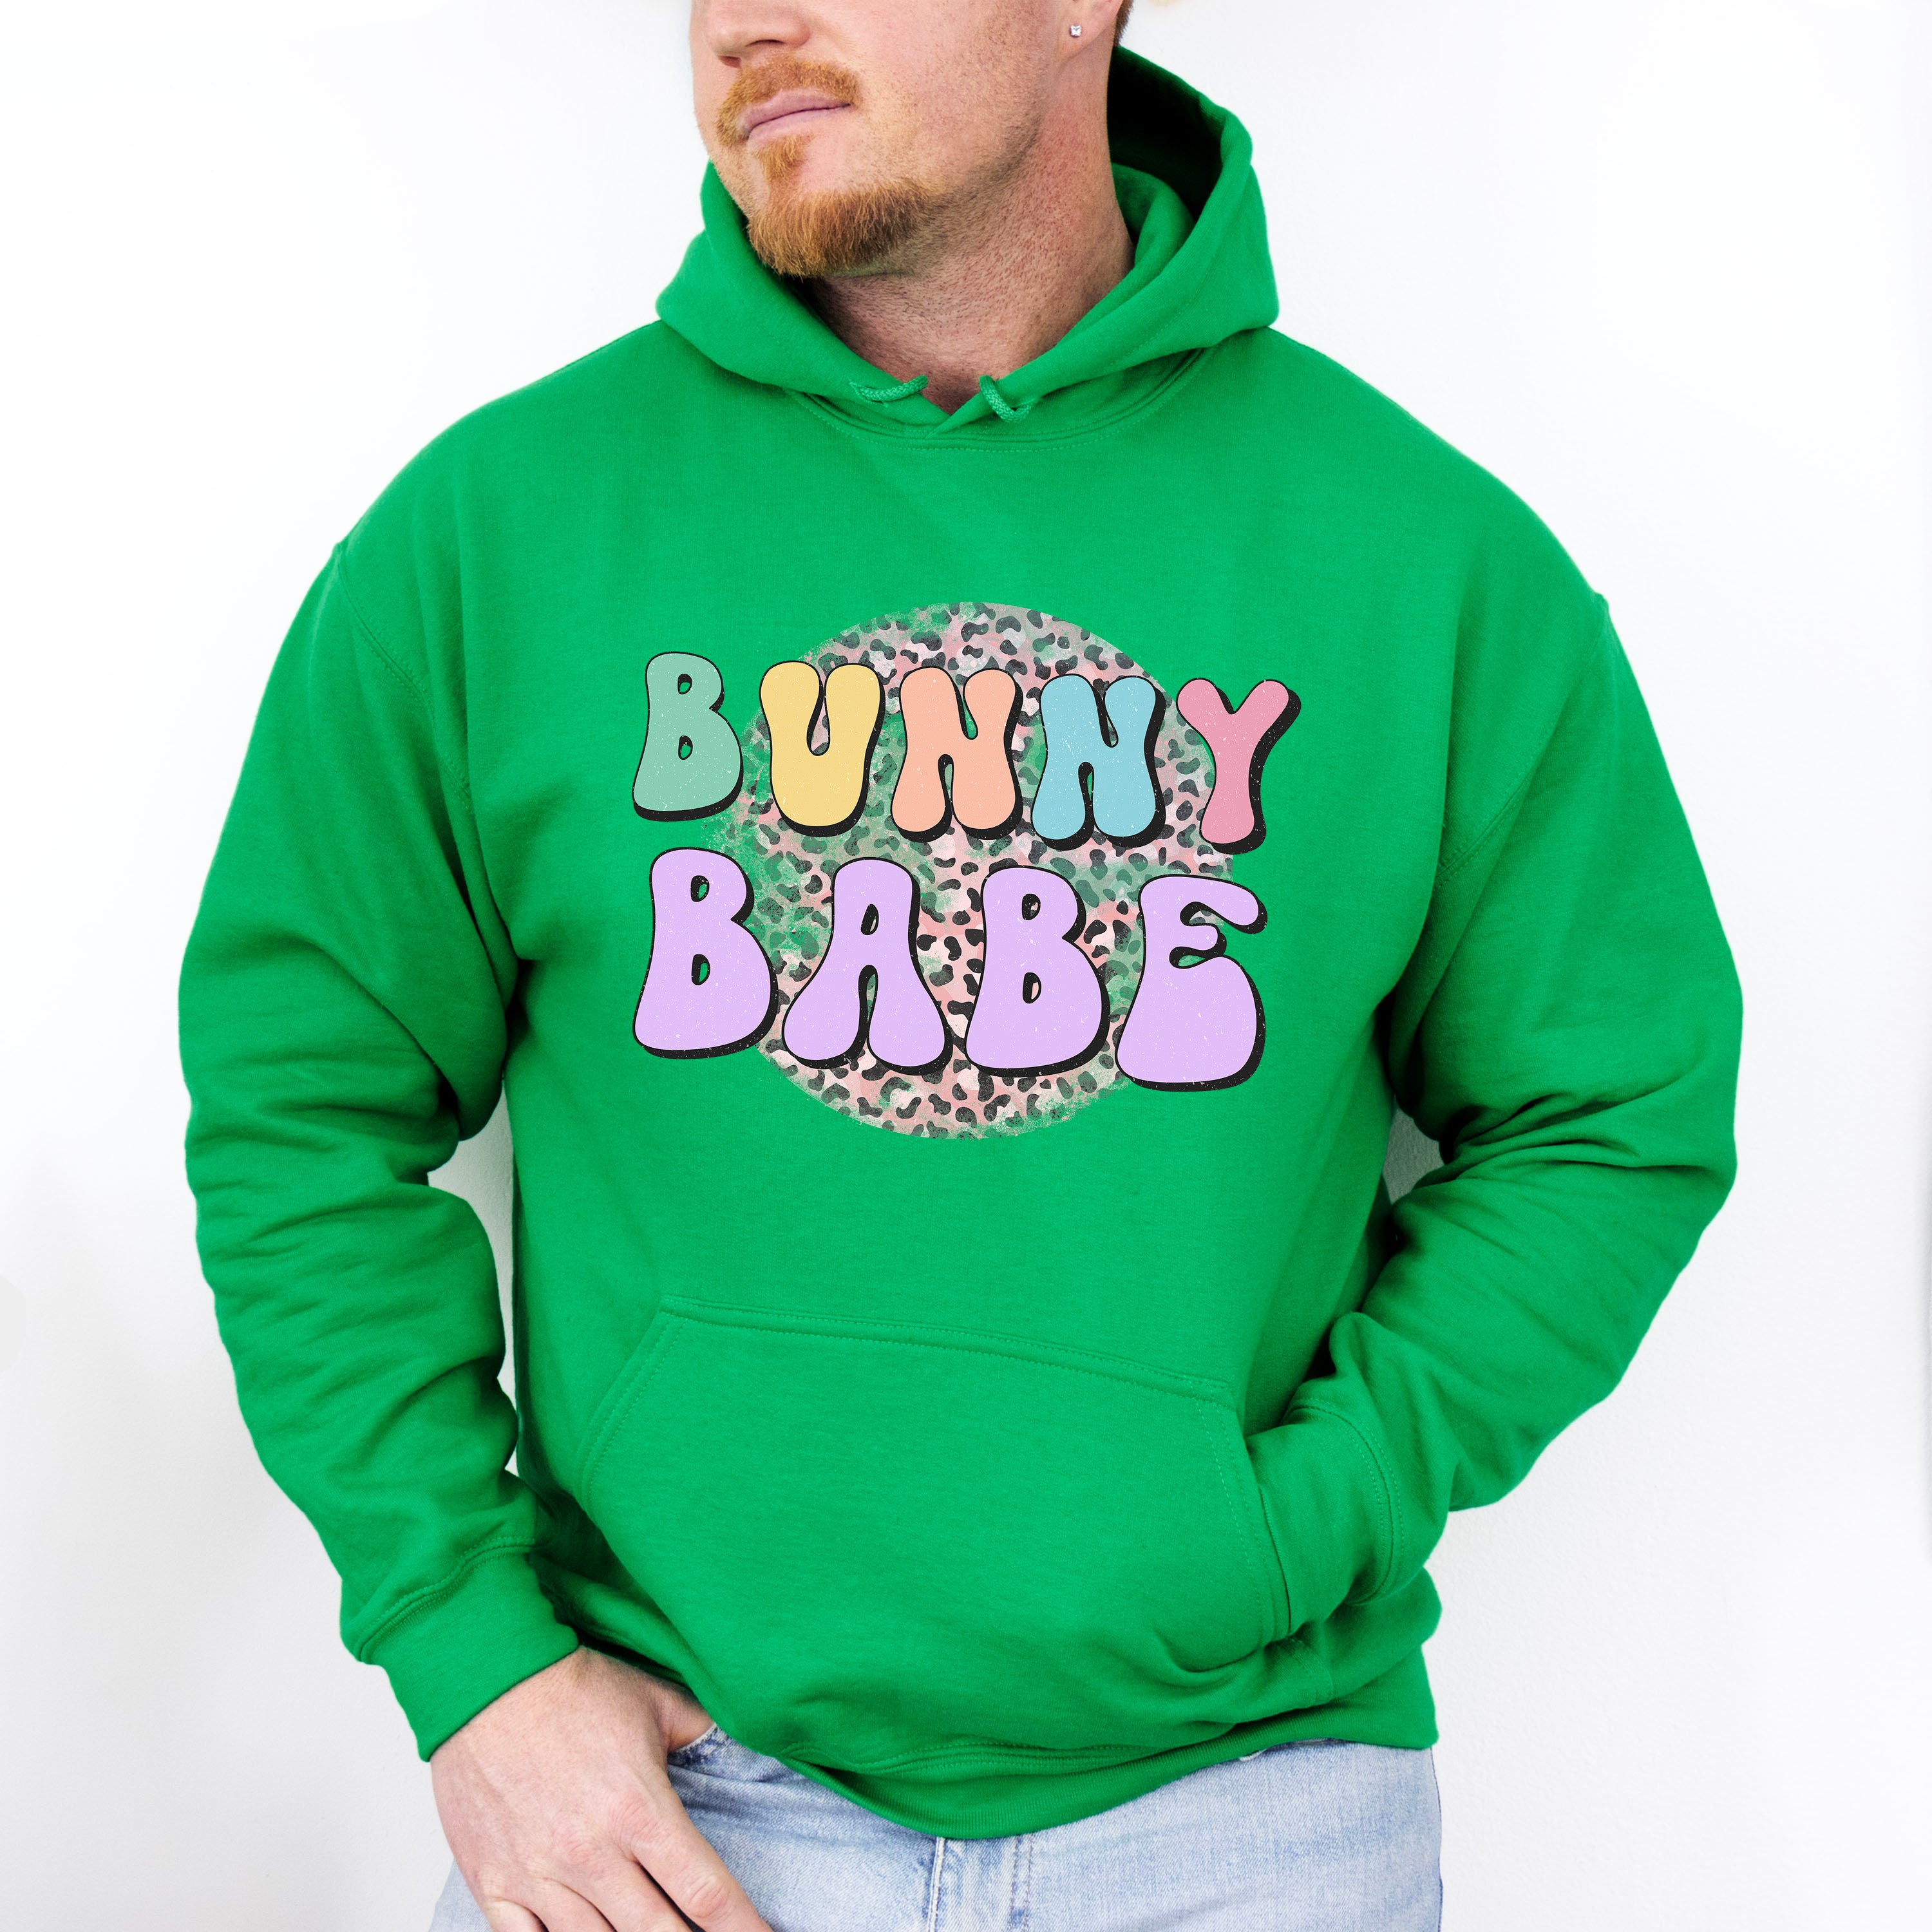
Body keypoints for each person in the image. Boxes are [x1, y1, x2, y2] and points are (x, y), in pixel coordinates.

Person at [179, 1, 1742, 1926]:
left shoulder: (1423, 563)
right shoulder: (495, 538)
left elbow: (1616, 1109)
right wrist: (469, 1656)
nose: (745, 21)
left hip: (1247, 1820)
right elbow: (300, 1107)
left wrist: (1294, 1519)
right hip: (668, 1806)